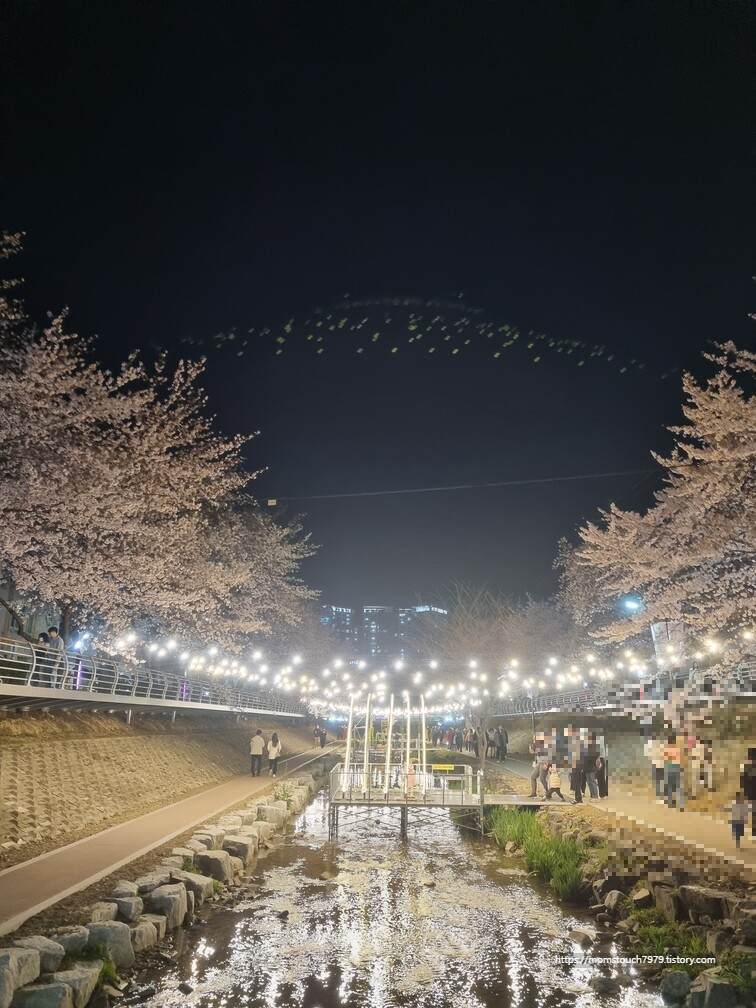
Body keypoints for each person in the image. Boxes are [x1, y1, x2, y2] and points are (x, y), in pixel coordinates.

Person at [662, 733, 684, 809]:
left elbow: (665, 758)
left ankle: (670, 802)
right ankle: (681, 804)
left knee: (669, 786)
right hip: (677, 767)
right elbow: (681, 759)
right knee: (679, 787)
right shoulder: (678, 749)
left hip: (669, 767)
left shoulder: (667, 748)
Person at [740, 748, 756, 836]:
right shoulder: (745, 766)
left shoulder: (744, 766)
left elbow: (742, 780)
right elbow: (742, 780)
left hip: (749, 791)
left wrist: (744, 790)